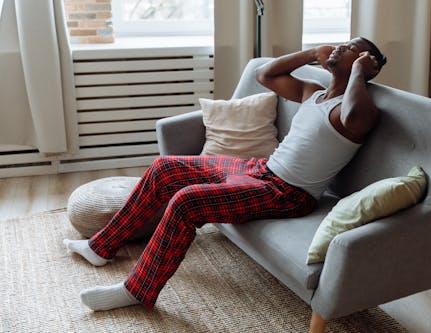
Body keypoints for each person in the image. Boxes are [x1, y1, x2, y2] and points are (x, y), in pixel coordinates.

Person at [63, 36, 387, 312]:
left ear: (360, 62)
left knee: (187, 202)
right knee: (166, 168)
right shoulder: (313, 93)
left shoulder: (357, 112)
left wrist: (359, 71)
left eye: (348, 47)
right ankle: (100, 247)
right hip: (260, 169)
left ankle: (138, 291)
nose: (338, 47)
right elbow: (265, 74)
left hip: (288, 194)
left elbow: (355, 113)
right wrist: (310, 54)